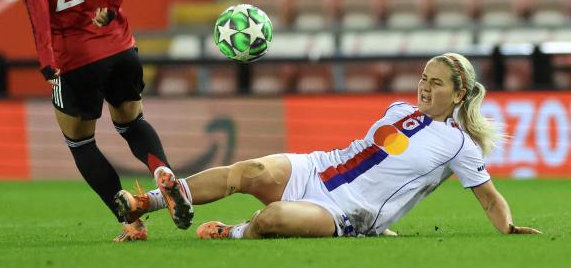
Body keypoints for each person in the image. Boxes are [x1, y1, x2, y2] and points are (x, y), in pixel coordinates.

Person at [116, 53, 541, 239]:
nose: (425, 88)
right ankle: (148, 204)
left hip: (347, 212)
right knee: (247, 172)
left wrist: (507, 226)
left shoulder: (458, 146)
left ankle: (234, 233)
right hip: (318, 169)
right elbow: (374, 156)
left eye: (436, 83)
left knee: (273, 219)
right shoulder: (398, 109)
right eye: (423, 79)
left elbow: (489, 198)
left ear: (459, 92)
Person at [4, 0, 193, 242]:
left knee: (80, 142)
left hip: (73, 56)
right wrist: (112, 4)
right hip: (120, 45)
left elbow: (37, 2)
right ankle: (161, 171)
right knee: (131, 123)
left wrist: (46, 59)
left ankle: (132, 223)